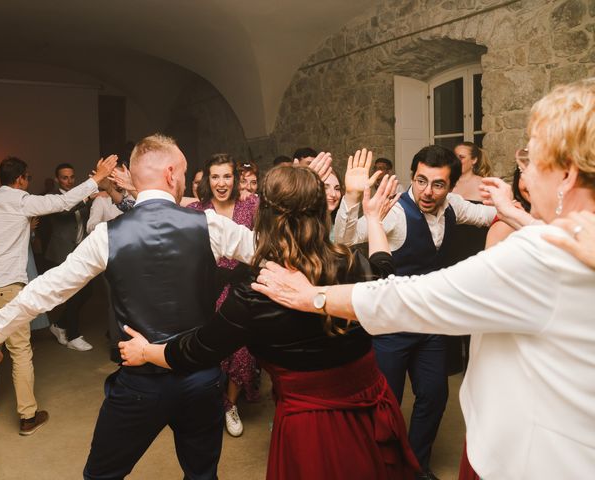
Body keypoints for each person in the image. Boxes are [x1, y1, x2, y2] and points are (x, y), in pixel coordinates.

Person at [252, 78, 595, 480]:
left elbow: (413, 297)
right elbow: (348, 239)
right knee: (390, 398)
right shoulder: (570, 244)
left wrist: (314, 297)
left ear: (568, 175)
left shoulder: (540, 253)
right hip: (559, 444)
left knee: (432, 395)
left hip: (531, 458)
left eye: (531, 162)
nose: (523, 177)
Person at [0, 134, 256, 479]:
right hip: (199, 380)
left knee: (101, 476)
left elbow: (46, 289)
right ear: (172, 173)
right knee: (202, 475)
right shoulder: (210, 225)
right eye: (184, 173)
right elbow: (271, 257)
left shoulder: (106, 235)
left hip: (140, 386)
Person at [118, 164, 420, 480]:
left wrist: (147, 352)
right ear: (322, 212)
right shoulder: (351, 263)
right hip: (373, 405)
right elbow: (383, 270)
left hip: (313, 426)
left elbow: (200, 349)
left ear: (265, 217)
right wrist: (372, 218)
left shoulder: (257, 292)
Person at [334, 146, 496, 479]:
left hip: (431, 324)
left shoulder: (454, 206)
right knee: (385, 406)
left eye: (437, 184)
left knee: (435, 396)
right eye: (420, 180)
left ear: (451, 186)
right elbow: (344, 237)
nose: (426, 191)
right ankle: (384, 469)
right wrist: (351, 198)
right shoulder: (394, 212)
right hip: (391, 327)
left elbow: (489, 215)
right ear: (412, 176)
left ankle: (416, 466)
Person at [0, 154, 116, 434]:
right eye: (27, 178)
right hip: (6, 287)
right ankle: (28, 416)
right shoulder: (21, 200)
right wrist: (96, 178)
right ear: (20, 179)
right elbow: (64, 201)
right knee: (20, 352)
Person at [189, 153, 260, 437]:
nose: (221, 183)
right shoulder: (196, 210)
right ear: (208, 179)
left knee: (242, 351)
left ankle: (230, 404)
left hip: (242, 289)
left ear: (236, 178)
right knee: (210, 351)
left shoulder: (251, 205)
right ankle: (212, 402)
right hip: (208, 290)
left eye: (227, 176)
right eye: (215, 176)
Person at [446, 142, 493, 373]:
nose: (457, 160)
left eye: (462, 156)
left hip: (475, 248)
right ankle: (453, 360)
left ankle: (475, 362)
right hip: (451, 249)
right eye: (454, 156)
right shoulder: (448, 184)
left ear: (474, 160)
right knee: (452, 303)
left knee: (473, 304)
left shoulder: (483, 185)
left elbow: (491, 218)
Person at [45, 163, 96, 351]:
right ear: (58, 179)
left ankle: (59, 325)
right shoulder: (52, 198)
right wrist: (88, 197)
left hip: (81, 252)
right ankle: (74, 336)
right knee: (73, 294)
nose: (69, 181)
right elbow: (65, 211)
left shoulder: (79, 195)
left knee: (88, 291)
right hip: (62, 253)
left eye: (72, 177)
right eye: (64, 177)